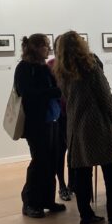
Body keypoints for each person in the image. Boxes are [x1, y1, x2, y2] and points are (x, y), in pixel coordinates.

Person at [54, 31, 112, 224]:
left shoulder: (62, 70)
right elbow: (105, 97)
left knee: (82, 174)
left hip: (75, 126)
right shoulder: (90, 66)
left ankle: (86, 216)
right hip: (96, 125)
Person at [14, 34, 66, 218]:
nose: (48, 49)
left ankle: (47, 200)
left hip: (52, 119)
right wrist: (55, 91)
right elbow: (27, 93)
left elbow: (54, 87)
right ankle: (30, 202)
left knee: (52, 160)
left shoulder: (43, 67)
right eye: (45, 45)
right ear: (35, 47)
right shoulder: (24, 68)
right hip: (36, 123)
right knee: (39, 162)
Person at [47, 37, 72, 202]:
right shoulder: (50, 65)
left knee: (73, 151)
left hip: (73, 113)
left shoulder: (74, 65)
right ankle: (62, 185)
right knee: (59, 152)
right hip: (58, 116)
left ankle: (72, 184)